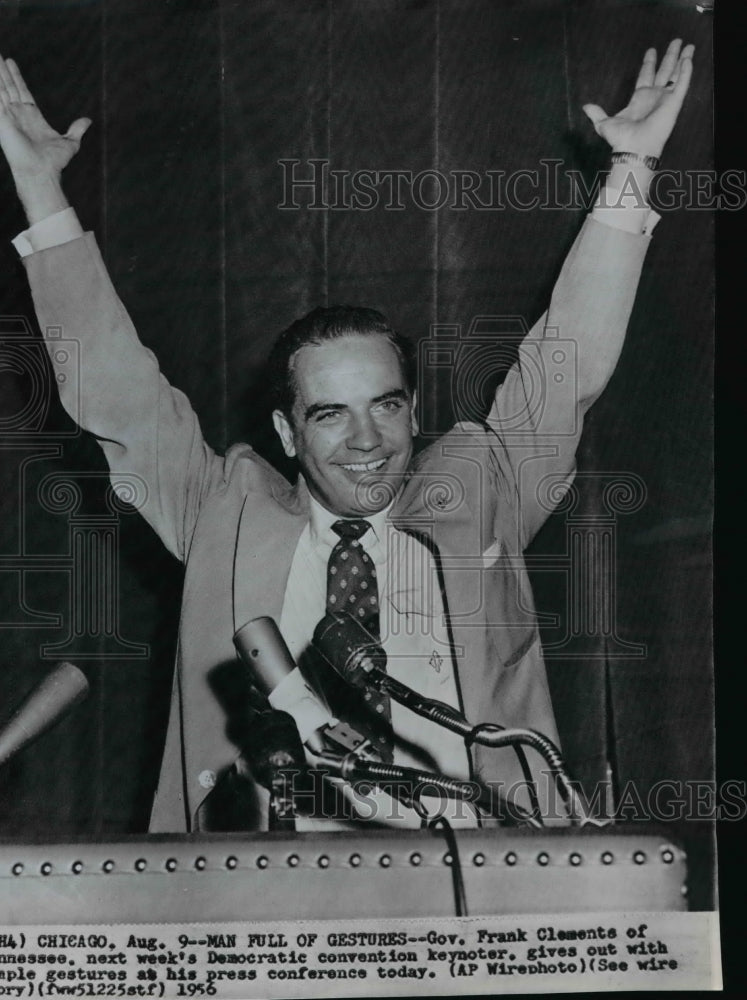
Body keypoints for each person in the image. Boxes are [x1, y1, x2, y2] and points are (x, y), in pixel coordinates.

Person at [0, 41, 693, 832]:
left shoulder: (481, 492)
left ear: (413, 408)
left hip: (476, 868)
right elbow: (116, 393)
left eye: (385, 406)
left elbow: (567, 360)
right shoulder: (222, 511)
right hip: (266, 888)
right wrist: (38, 188)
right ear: (285, 433)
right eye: (329, 413)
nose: (367, 440)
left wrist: (632, 165)